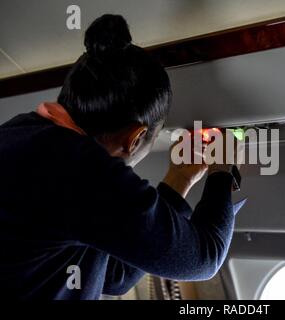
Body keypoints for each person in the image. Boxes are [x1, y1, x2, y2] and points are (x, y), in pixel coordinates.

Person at [0, 14, 240, 300]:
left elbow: (115, 275)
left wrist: (181, 177)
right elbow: (205, 257)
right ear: (135, 138)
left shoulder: (22, 134)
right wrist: (222, 170)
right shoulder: (82, 171)